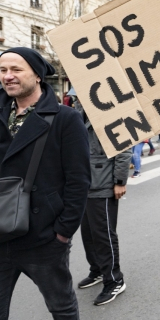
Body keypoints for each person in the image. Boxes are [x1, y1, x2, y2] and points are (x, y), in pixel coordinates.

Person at [0, 47, 91, 320]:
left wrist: (62, 233)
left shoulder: (65, 119)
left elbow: (79, 181)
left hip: (42, 239)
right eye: (3, 70)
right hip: (0, 234)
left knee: (62, 309)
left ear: (38, 75)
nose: (8, 76)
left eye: (16, 70)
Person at [74, 100, 130, 305]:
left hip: (103, 182)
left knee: (104, 234)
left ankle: (114, 280)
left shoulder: (110, 112)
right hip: (83, 183)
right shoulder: (79, 111)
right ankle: (97, 270)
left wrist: (119, 181)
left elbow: (124, 149)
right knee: (88, 233)